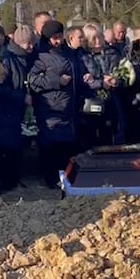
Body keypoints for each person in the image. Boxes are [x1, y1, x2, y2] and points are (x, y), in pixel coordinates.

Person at [27, 21, 84, 187]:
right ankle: (51, 179)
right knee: (51, 146)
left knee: (67, 147)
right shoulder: (41, 55)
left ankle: (66, 179)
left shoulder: (68, 53)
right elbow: (33, 80)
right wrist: (56, 81)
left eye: (60, 37)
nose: (58, 41)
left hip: (69, 108)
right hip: (51, 109)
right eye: (54, 38)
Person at [0, 27, 34, 192]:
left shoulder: (26, 59)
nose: (31, 46)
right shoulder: (7, 60)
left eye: (32, 43)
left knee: (16, 147)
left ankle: (13, 180)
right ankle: (3, 182)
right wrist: (21, 97)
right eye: (27, 43)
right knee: (6, 148)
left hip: (17, 111)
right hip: (5, 111)